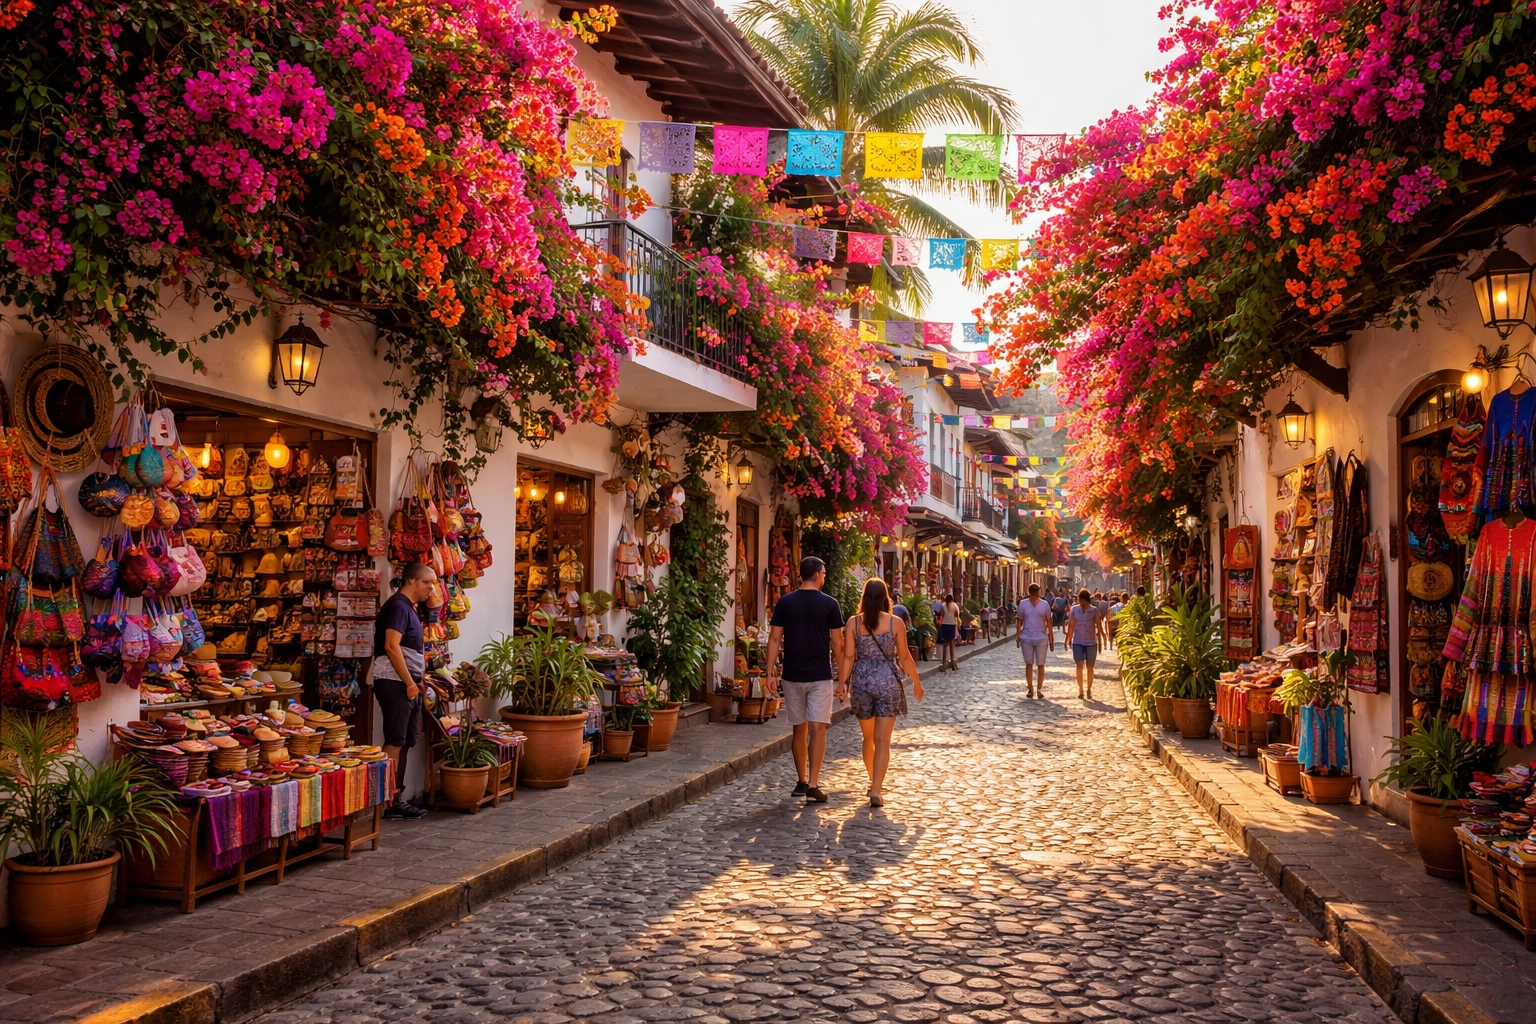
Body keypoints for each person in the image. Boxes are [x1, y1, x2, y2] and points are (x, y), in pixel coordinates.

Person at [836, 578, 923, 808]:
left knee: (868, 738)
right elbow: (904, 657)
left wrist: (842, 683)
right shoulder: (896, 623)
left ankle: (871, 780)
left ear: (864, 598)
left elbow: (848, 656)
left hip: (862, 683)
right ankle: (876, 788)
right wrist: (916, 681)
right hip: (887, 682)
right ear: (886, 598)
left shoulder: (854, 623)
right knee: (883, 740)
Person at [765, 556, 846, 803]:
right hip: (820, 676)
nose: (825, 576)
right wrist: (842, 680)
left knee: (798, 728)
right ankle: (813, 783)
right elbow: (838, 643)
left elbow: (774, 639)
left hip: (792, 675)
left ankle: (801, 780)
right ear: (819, 573)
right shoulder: (830, 604)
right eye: (825, 573)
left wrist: (770, 672)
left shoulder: (785, 603)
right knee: (818, 728)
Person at [372, 562, 439, 819]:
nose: (431, 589)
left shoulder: (408, 608)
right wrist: (409, 683)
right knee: (395, 740)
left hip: (407, 683)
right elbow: (391, 646)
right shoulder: (399, 606)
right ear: (412, 581)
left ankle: (396, 795)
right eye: (427, 583)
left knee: (405, 739)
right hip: (395, 683)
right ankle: (389, 799)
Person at [1015, 582, 1055, 699]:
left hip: (1041, 638)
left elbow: (1049, 621)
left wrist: (1050, 638)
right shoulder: (1023, 604)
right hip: (1027, 637)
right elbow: (1019, 620)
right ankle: (1030, 688)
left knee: (1040, 664)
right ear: (1036, 592)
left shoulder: (1044, 604)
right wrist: (1018, 636)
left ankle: (1039, 688)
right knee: (1029, 663)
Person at [1064, 588, 1101, 700]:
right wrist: (1068, 639)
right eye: (1080, 600)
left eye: (1083, 600)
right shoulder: (1074, 610)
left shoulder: (1094, 610)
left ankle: (1089, 689)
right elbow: (1071, 625)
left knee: (1090, 667)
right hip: (1078, 641)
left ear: (1087, 600)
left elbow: (1099, 626)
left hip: (1091, 642)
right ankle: (1081, 689)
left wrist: (1101, 642)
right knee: (1079, 665)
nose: (1082, 603)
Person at [938, 593, 961, 671]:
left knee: (945, 645)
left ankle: (944, 664)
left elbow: (941, 615)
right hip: (952, 625)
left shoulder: (943, 606)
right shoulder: (955, 606)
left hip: (944, 625)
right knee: (952, 645)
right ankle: (953, 664)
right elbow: (957, 615)